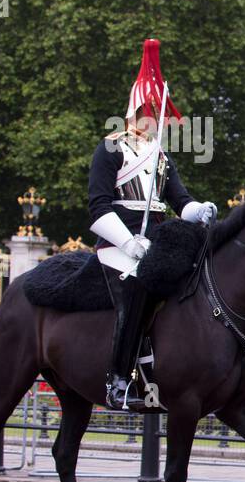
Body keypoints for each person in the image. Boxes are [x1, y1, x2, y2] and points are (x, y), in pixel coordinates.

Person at [88, 39, 216, 410]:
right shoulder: (111, 148)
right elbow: (97, 208)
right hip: (119, 245)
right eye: (149, 108)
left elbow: (180, 201)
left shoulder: (161, 157)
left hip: (156, 240)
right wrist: (129, 243)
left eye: (157, 109)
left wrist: (200, 209)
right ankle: (117, 378)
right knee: (134, 292)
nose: (154, 115)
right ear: (135, 108)